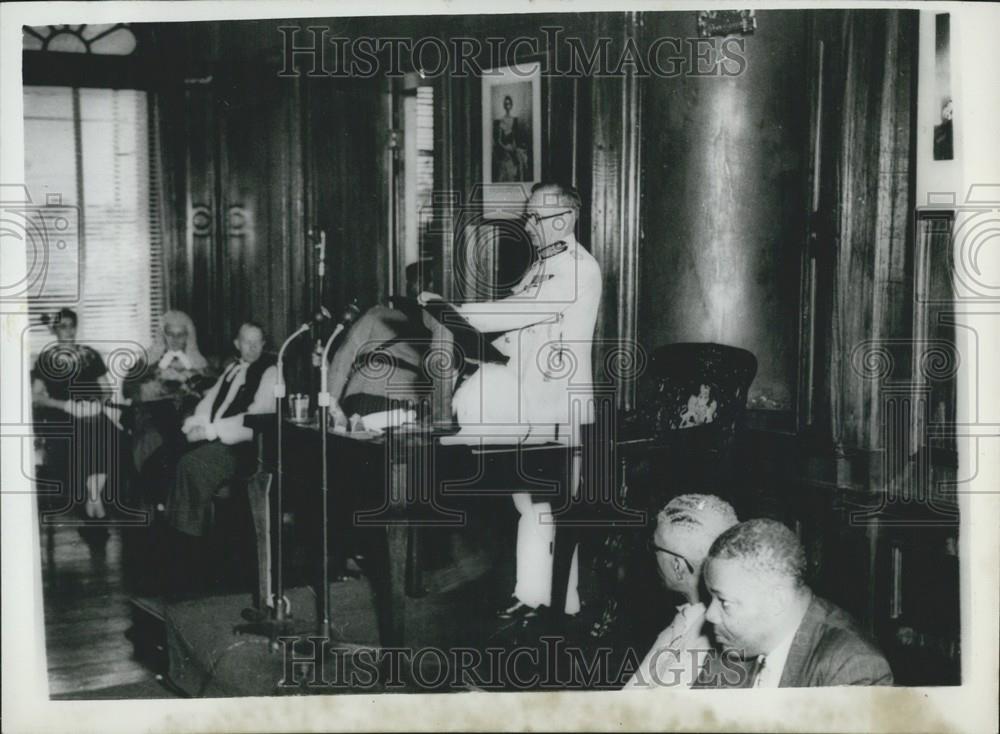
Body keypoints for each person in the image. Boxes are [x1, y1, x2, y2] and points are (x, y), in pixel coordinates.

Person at [420, 182, 602, 621]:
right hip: (527, 400)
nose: (529, 225)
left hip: (560, 405)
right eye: (529, 216)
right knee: (529, 505)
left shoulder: (579, 268)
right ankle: (531, 597)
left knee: (556, 509)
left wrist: (455, 312)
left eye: (537, 217)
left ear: (566, 218)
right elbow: (514, 325)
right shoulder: (541, 266)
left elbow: (520, 312)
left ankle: (563, 609)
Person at [696, 518, 893, 687]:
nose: (710, 615)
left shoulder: (851, 666)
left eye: (724, 602)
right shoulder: (733, 644)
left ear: (776, 601)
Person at [165, 322, 277, 539]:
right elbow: (210, 400)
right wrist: (196, 423)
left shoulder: (270, 372)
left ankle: (189, 535)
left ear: (263, 344)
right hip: (219, 436)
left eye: (257, 342)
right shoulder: (233, 367)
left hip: (246, 447)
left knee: (192, 465)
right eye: (247, 342)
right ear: (237, 344)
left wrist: (210, 431)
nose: (252, 348)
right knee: (169, 451)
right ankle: (176, 528)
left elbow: (256, 418)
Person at [623, 494, 738, 689]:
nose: (652, 556)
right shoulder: (686, 620)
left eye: (654, 547)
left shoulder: (704, 652)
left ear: (678, 566)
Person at [31, 308, 124, 524]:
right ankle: (95, 501)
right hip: (61, 414)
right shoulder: (46, 359)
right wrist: (67, 405)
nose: (68, 331)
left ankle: (93, 497)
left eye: (72, 325)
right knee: (86, 434)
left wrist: (95, 405)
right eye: (63, 326)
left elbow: (107, 390)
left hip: (91, 412)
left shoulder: (90, 355)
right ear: (55, 329)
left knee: (109, 434)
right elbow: (36, 397)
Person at [125, 310, 214, 506]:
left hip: (187, 411)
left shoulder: (198, 361)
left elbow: (211, 391)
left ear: (188, 336)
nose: (174, 339)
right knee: (157, 436)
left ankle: (175, 496)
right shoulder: (147, 359)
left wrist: (187, 380)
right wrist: (157, 385)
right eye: (169, 333)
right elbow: (127, 388)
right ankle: (159, 496)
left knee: (186, 433)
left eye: (180, 334)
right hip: (153, 410)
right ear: (162, 334)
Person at [327, 263, 432, 428]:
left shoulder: (377, 314)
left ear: (408, 286)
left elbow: (344, 356)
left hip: (363, 399)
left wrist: (332, 406)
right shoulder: (436, 331)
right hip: (405, 409)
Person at [493, 94, 530, 182]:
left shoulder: (514, 120)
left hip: (513, 147)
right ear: (504, 106)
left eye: (509, 104)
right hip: (504, 148)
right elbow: (498, 140)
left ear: (511, 105)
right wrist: (506, 147)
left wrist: (514, 147)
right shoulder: (500, 121)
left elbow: (515, 138)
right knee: (507, 165)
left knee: (522, 158)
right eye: (506, 104)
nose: (507, 106)